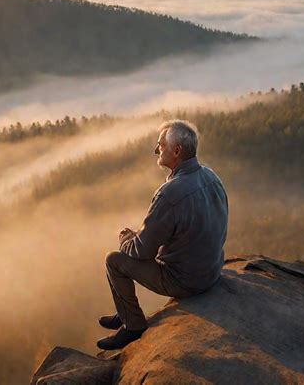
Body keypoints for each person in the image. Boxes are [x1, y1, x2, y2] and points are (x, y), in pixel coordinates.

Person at [97, 119, 229, 350]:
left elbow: (141, 251)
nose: (156, 150)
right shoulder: (212, 176)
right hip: (212, 271)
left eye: (161, 145)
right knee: (140, 241)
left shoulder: (169, 194)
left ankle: (132, 324)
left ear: (176, 150)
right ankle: (123, 310)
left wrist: (125, 239)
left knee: (114, 260)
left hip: (185, 281)